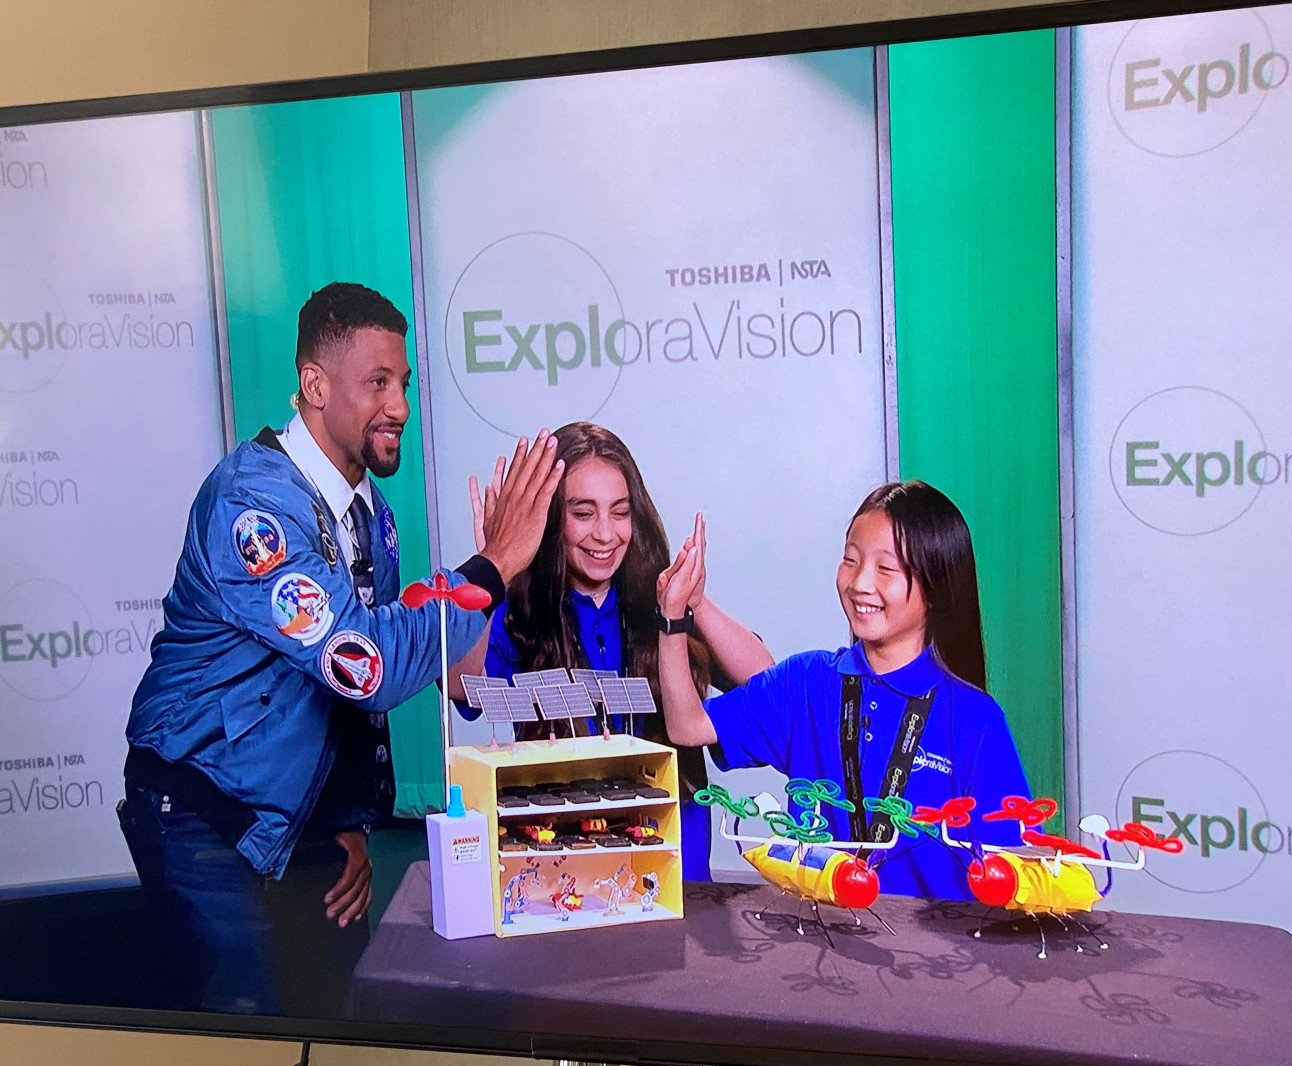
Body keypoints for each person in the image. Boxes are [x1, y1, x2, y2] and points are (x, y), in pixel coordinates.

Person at [120, 282, 563, 1016]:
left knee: (332, 1020)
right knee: (243, 1035)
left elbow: (350, 702)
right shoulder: (253, 505)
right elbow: (363, 664)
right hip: (202, 812)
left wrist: (349, 823)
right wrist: (491, 567)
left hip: (298, 820)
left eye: (404, 383)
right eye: (378, 382)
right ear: (315, 385)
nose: (400, 407)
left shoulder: (370, 515)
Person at [656, 480, 1030, 901]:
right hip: (820, 934)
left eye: (885, 568)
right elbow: (688, 726)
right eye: (851, 560)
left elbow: (1011, 868)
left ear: (934, 586)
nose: (860, 582)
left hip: (935, 942)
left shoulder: (975, 720)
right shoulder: (807, 682)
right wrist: (677, 615)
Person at [472, 421, 773, 881]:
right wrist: (492, 571)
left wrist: (691, 601)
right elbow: (460, 685)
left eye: (620, 512)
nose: (605, 534)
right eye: (583, 513)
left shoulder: (662, 602)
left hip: (674, 857)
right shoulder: (520, 610)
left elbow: (765, 683)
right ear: (550, 520)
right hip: (568, 856)